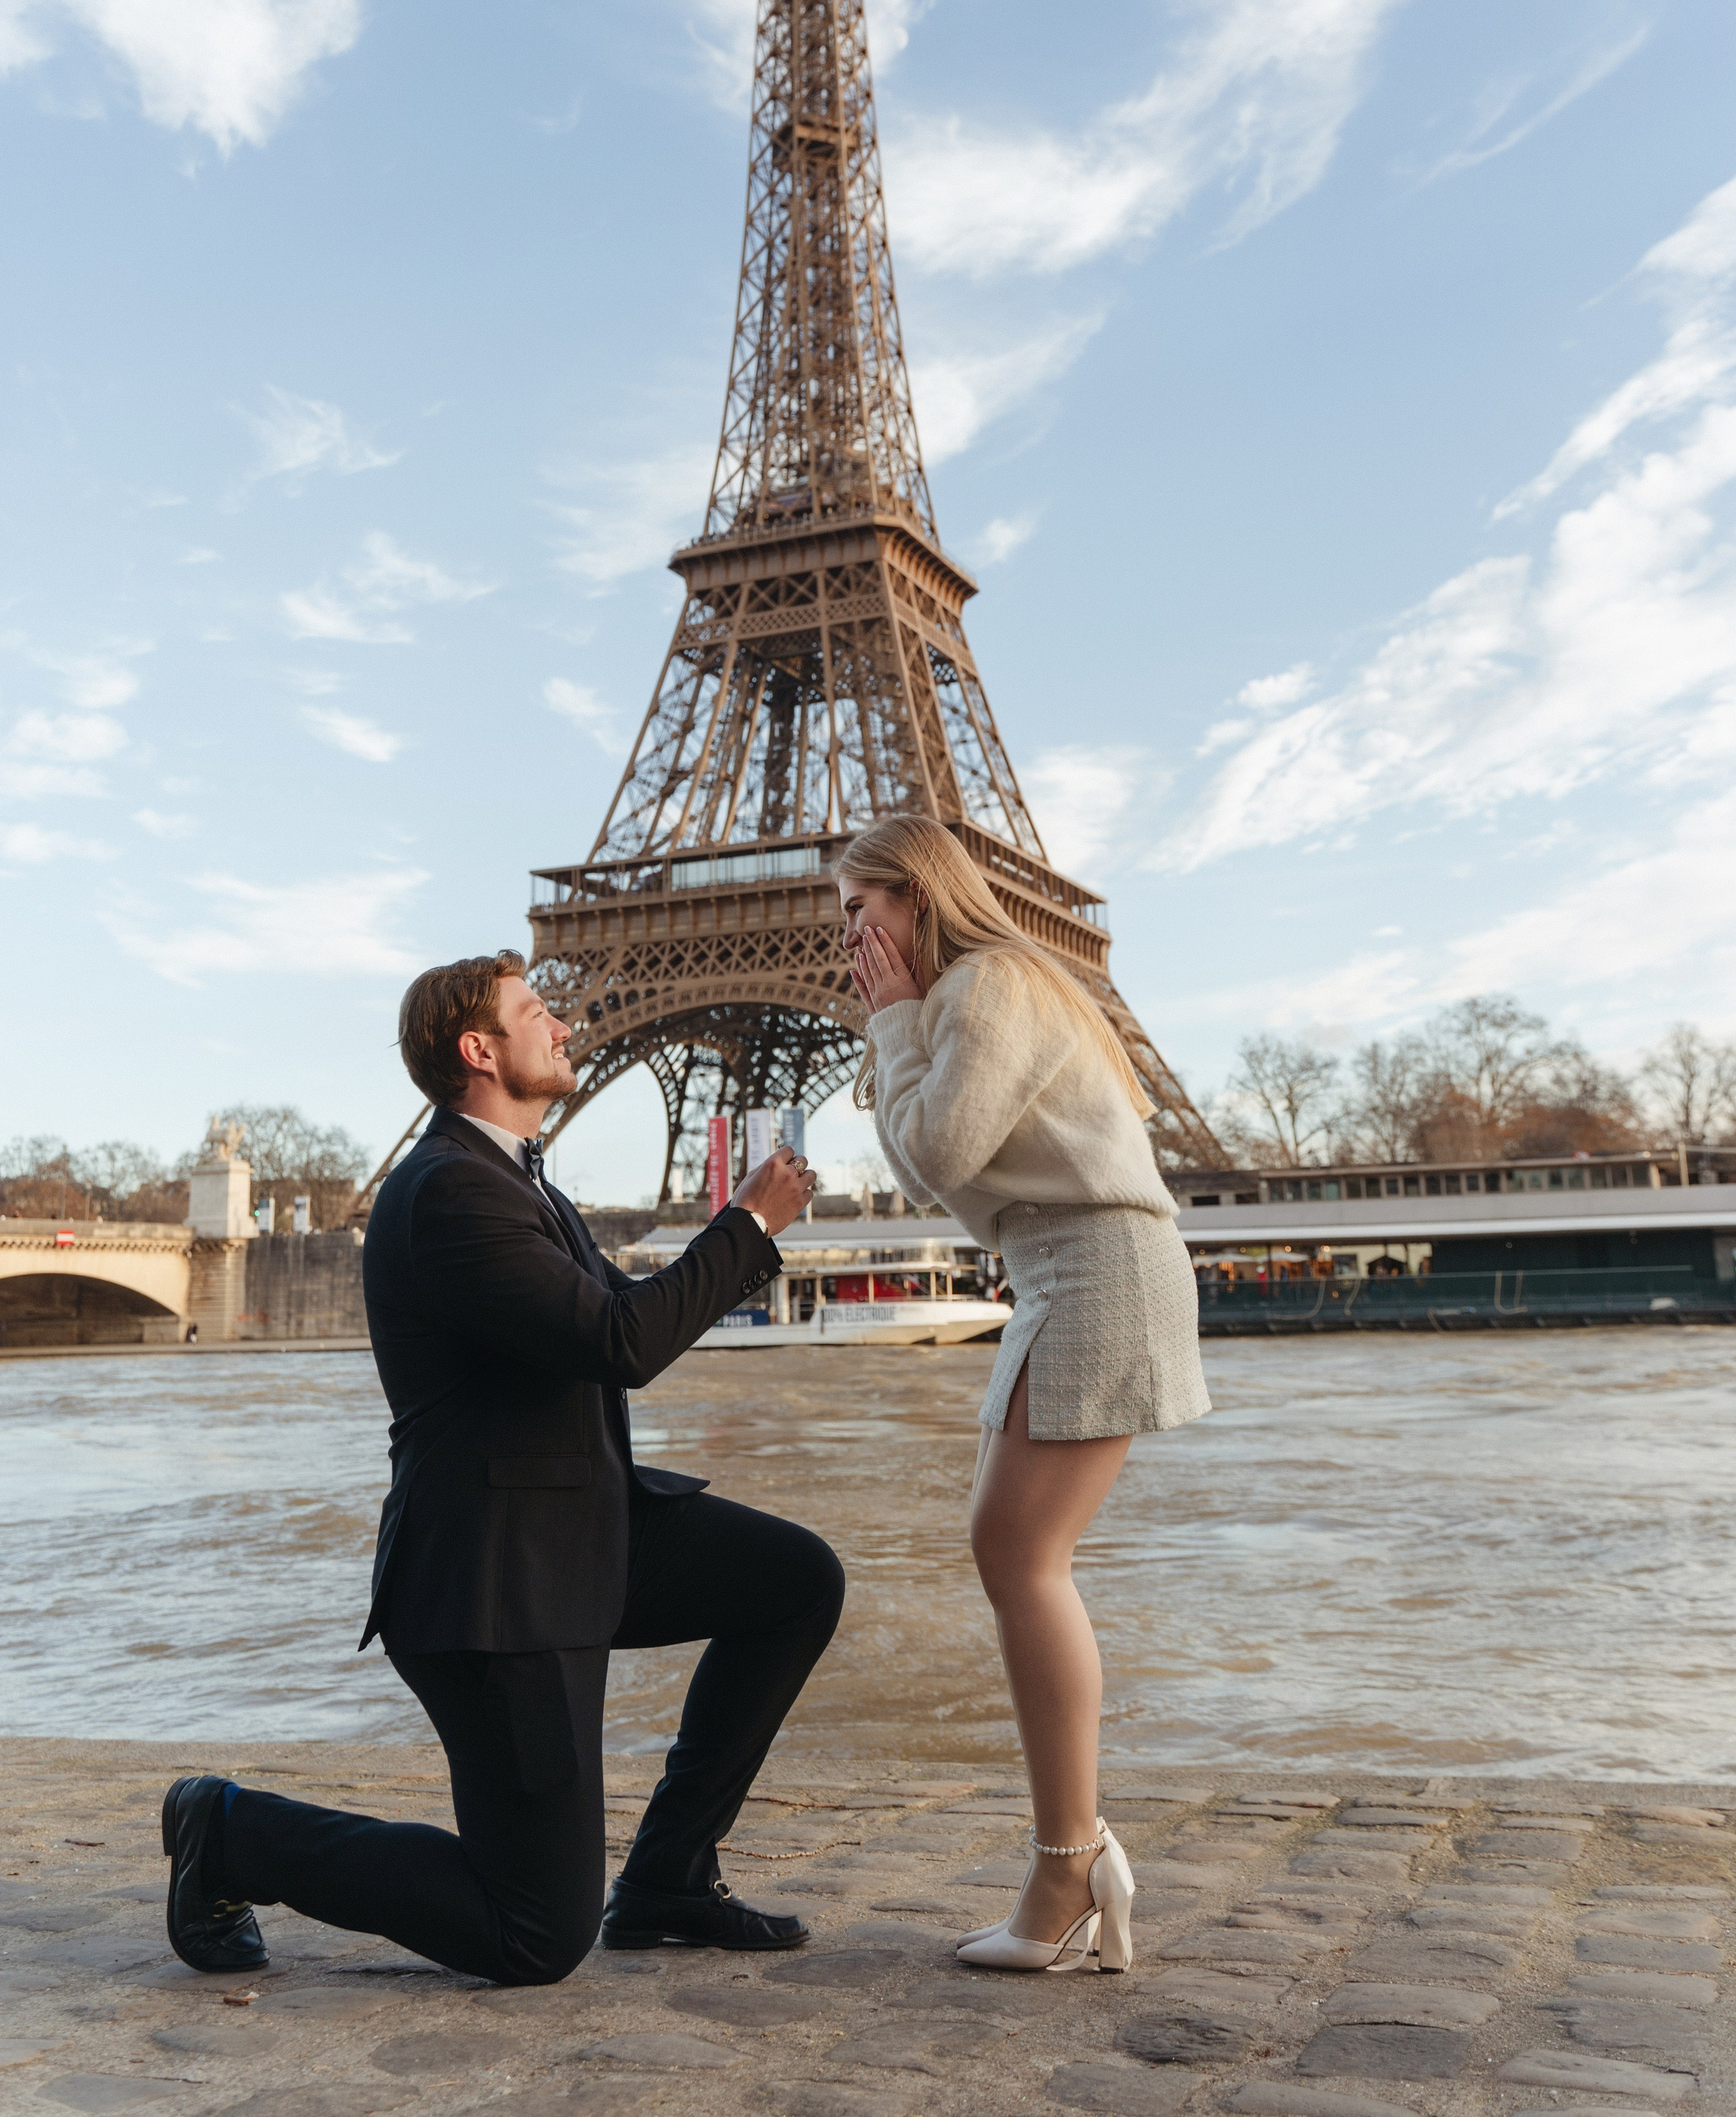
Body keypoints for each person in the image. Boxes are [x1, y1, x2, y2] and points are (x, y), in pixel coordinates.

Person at [161, 950, 840, 1987]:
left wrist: (735, 1236)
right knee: (534, 1936)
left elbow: (627, 1318)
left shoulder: (516, 1182)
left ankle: (663, 1876)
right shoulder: (448, 1193)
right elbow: (623, 1340)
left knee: (796, 1581)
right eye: (537, 1013)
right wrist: (745, 1225)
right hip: (496, 1583)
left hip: (582, 1534)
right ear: (479, 1050)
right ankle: (234, 1833)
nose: (564, 1026)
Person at [838, 815, 1209, 1975]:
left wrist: (896, 1022)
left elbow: (939, 1153)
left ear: (921, 895)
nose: (849, 929)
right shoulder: (975, 997)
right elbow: (931, 1162)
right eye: (842, 912)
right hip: (1058, 1267)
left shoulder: (994, 982)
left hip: (1094, 1263)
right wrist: (900, 1030)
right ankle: (1072, 1855)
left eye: (863, 905)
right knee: (1010, 1552)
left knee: (1019, 1557)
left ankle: (1067, 1863)